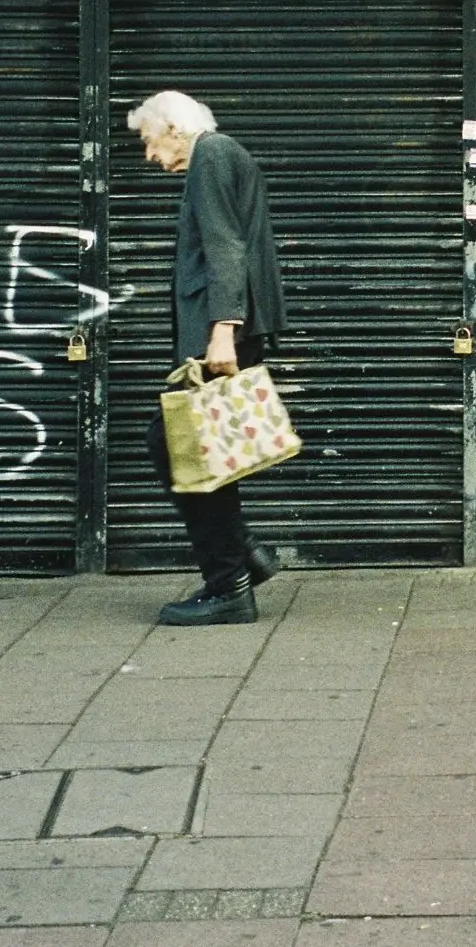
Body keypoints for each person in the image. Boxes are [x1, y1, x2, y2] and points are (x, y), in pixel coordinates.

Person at [129, 91, 287, 626]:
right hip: (226, 326)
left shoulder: (211, 155)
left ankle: (230, 584)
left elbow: (226, 247)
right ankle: (240, 560)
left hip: (223, 330)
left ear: (173, 126)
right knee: (192, 449)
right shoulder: (220, 156)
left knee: (183, 448)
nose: (148, 156)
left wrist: (223, 331)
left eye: (148, 141)